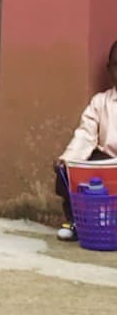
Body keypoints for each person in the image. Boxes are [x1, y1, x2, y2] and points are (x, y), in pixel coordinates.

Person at [54, 40, 117, 240]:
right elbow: (85, 135)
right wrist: (68, 159)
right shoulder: (101, 102)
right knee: (68, 171)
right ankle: (76, 222)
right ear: (109, 70)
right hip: (106, 166)